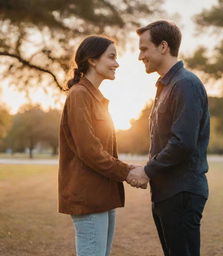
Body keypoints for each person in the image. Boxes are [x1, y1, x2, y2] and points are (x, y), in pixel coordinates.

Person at [58, 35, 147, 256]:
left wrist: (127, 167)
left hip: (103, 196)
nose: (117, 63)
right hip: (88, 198)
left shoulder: (95, 97)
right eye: (112, 57)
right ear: (92, 60)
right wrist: (126, 172)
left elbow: (100, 149)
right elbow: (89, 150)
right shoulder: (79, 95)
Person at [131, 20, 210, 256]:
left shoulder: (186, 84)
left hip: (182, 192)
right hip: (166, 192)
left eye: (144, 49)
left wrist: (147, 171)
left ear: (163, 46)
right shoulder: (167, 86)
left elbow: (182, 143)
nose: (139, 56)